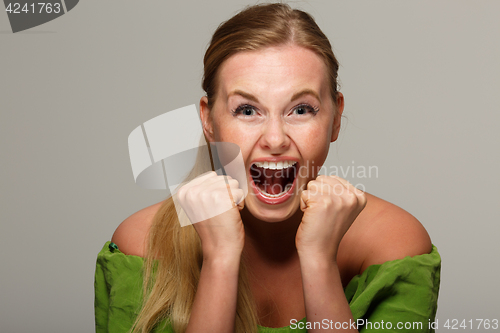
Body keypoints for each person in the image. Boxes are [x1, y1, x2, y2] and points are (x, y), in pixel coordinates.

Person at [95, 3, 440, 333]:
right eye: (246, 110)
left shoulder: (393, 246)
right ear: (208, 120)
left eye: (301, 109)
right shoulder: (141, 246)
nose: (275, 139)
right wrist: (220, 260)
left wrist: (320, 262)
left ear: (335, 117)